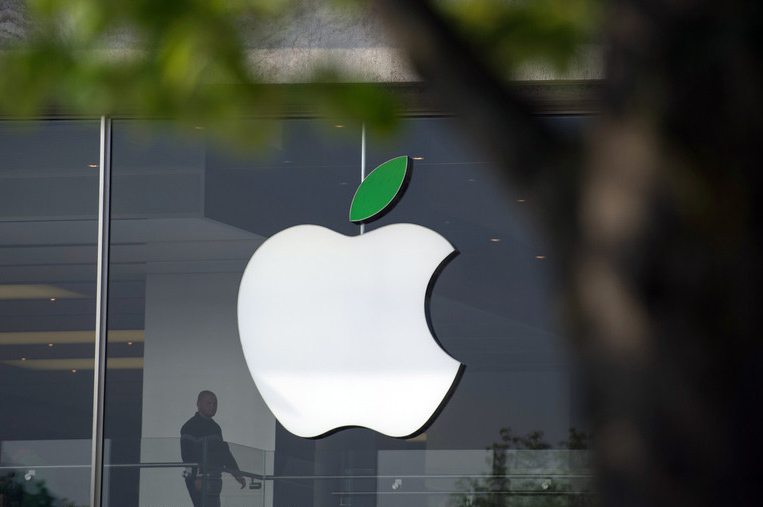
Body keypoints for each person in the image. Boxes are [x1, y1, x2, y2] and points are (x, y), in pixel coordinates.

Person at [181, 390, 246, 507]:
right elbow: (187, 456)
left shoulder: (215, 427)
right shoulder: (189, 426)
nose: (213, 407)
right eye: (209, 403)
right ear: (198, 404)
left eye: (215, 404)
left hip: (215, 476)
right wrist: (196, 478)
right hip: (200, 477)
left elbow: (224, 453)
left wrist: (237, 474)